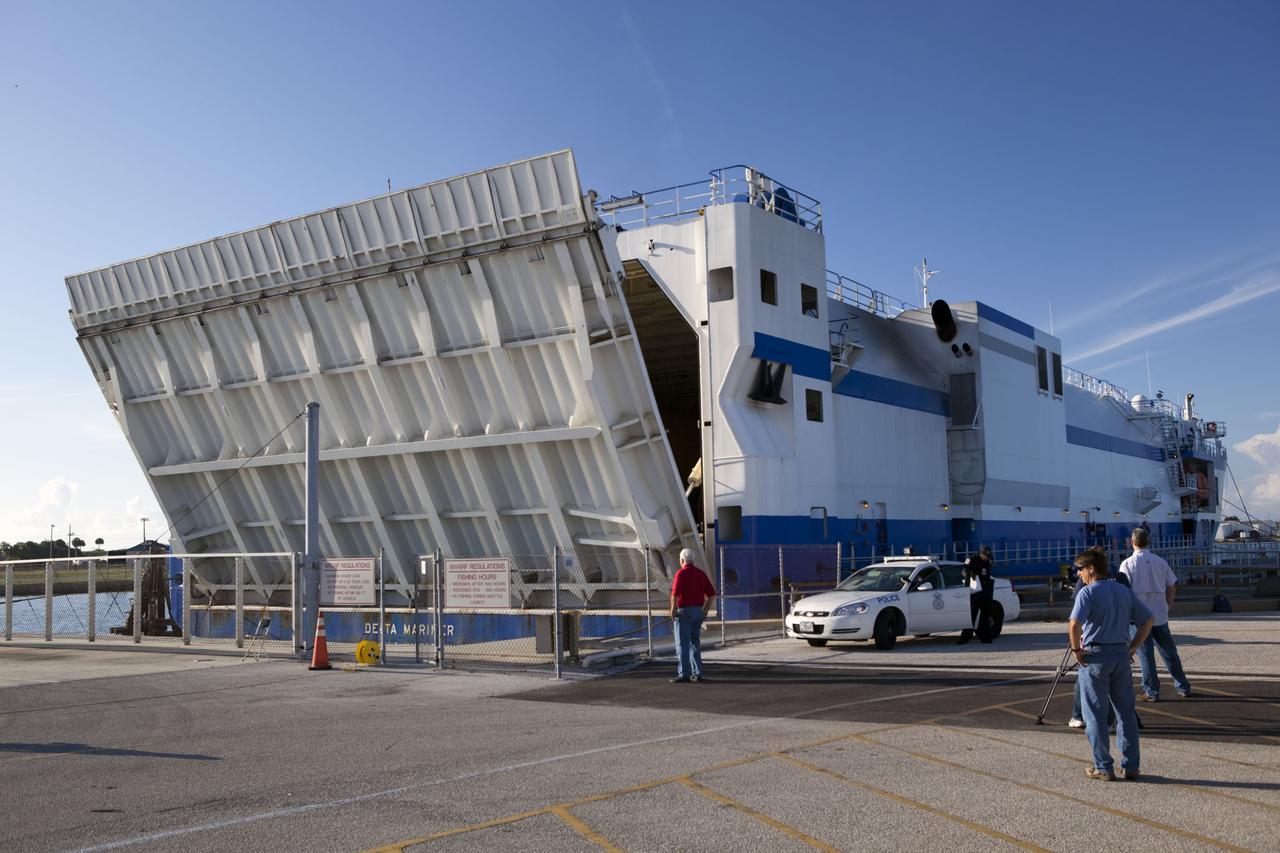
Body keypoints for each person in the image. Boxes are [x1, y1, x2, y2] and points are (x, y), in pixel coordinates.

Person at [1069, 548, 1154, 781]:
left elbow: (1075, 623)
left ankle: (1103, 766)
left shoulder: (1087, 593)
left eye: (1080, 569)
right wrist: (1133, 646)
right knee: (1125, 712)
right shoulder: (1123, 591)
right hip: (1120, 654)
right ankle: (1131, 765)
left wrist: (1077, 650)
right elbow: (1148, 620)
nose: (1078, 574)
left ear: (1091, 568)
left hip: (1095, 656)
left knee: (1095, 714)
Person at [1120, 528, 1192, 701]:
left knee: (1145, 655)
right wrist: (1167, 605)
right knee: (1169, 652)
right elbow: (1171, 586)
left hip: (1139, 617)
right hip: (1160, 613)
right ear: (1148, 541)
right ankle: (1183, 686)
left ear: (1132, 542)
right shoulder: (1160, 562)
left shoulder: (1127, 564)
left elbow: (1124, 591)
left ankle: (1151, 690)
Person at [669, 548, 716, 683]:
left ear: (682, 560)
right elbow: (712, 594)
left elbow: (675, 594)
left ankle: (684, 673)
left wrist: (672, 609)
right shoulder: (701, 574)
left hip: (684, 612)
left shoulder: (681, 574)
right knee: (694, 642)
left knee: (682, 644)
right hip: (697, 611)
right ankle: (697, 672)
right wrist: (705, 610)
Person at [958, 545, 995, 644]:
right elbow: (964, 571)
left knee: (986, 615)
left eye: (988, 556)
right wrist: (972, 576)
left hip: (986, 589)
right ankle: (965, 638)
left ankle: (985, 637)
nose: (987, 558)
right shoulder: (972, 559)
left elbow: (987, 572)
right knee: (972, 614)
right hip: (975, 590)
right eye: (985, 556)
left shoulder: (989, 560)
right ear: (980, 553)